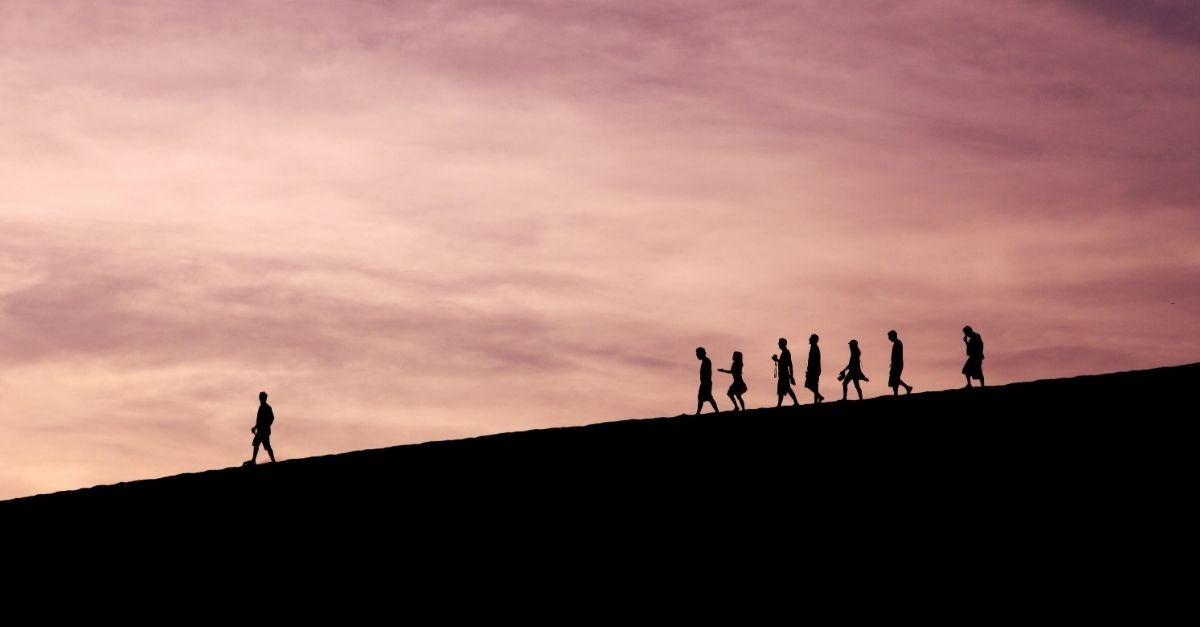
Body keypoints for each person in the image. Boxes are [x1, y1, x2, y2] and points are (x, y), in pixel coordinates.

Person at [245, 391, 276, 466]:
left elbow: (271, 418)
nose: (260, 398)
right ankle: (254, 460)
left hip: (264, 431)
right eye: (260, 397)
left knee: (266, 445)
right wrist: (255, 427)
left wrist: (266, 426)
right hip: (260, 430)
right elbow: (259, 420)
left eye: (261, 397)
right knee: (257, 444)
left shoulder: (267, 408)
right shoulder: (261, 407)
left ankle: (273, 461)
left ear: (264, 398)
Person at [773, 338, 800, 407]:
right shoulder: (784, 352)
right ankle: (780, 404)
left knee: (785, 389)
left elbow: (788, 364)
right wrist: (777, 360)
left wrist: (791, 375)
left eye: (779, 343)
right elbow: (785, 363)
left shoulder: (786, 352)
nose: (778, 344)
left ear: (783, 344)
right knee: (782, 390)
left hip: (784, 374)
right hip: (783, 374)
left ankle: (795, 402)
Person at [887, 330, 913, 396]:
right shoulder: (897, 343)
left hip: (897, 364)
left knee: (895, 379)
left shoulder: (898, 343)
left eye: (889, 337)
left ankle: (907, 388)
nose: (889, 338)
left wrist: (895, 365)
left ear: (893, 336)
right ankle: (899, 392)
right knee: (894, 380)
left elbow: (897, 355)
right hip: (896, 364)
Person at [695, 347, 720, 415]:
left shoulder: (706, 361)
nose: (696, 355)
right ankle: (698, 412)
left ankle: (698, 413)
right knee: (703, 397)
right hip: (705, 382)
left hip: (706, 382)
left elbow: (708, 373)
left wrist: (706, 382)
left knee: (706, 397)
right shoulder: (705, 361)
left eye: (697, 354)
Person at [805, 334, 824, 403]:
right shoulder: (814, 347)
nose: (809, 339)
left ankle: (817, 399)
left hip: (814, 370)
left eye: (810, 338)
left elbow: (813, 360)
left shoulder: (814, 348)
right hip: (814, 369)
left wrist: (810, 369)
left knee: (810, 385)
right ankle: (817, 399)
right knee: (813, 385)